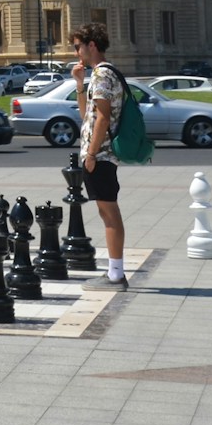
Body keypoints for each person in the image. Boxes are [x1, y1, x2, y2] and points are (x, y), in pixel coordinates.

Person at [69, 22, 128, 290]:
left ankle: (116, 274)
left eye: (78, 47)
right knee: (107, 213)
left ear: (92, 45)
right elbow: (86, 116)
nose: (76, 52)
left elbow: (103, 117)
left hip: (101, 155)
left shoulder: (103, 75)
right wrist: (80, 85)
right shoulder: (96, 76)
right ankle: (114, 272)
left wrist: (91, 154)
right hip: (99, 154)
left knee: (109, 212)